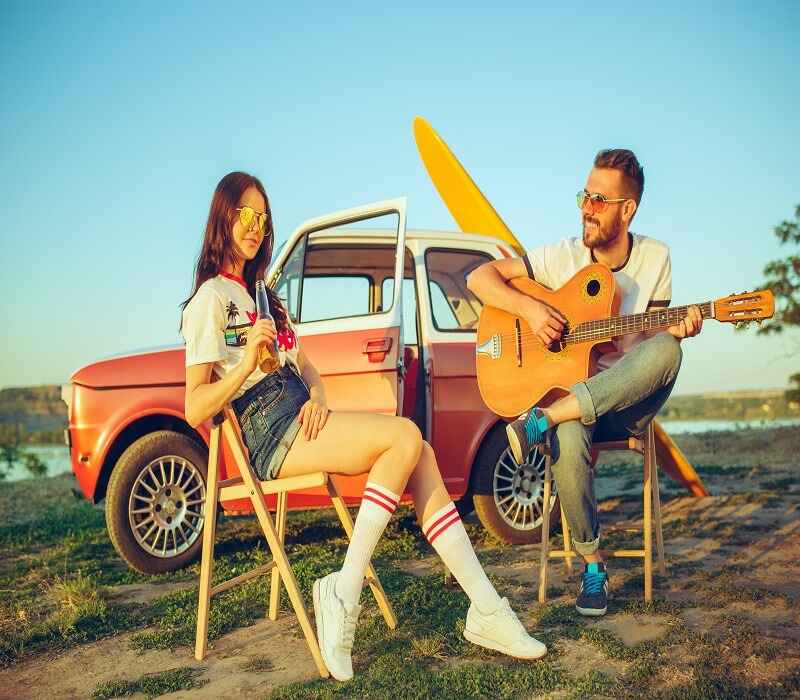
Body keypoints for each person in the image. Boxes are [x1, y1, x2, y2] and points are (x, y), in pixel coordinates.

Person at [180, 172, 546, 681]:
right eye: (244, 213)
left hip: (299, 411)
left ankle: (485, 609)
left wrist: (319, 395)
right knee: (404, 436)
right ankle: (346, 590)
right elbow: (195, 406)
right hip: (267, 430)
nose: (254, 226)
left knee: (422, 454)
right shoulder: (210, 301)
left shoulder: (261, 294)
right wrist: (243, 365)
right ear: (223, 216)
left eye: (262, 217)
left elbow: (304, 366)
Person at [467, 149, 703, 617]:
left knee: (669, 350)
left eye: (599, 198)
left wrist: (672, 329)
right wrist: (532, 311)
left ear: (626, 209)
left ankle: (545, 418)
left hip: (625, 403)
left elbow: (653, 342)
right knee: (571, 430)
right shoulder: (561, 258)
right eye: (585, 195)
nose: (586, 207)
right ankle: (593, 567)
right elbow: (480, 278)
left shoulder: (657, 258)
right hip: (576, 406)